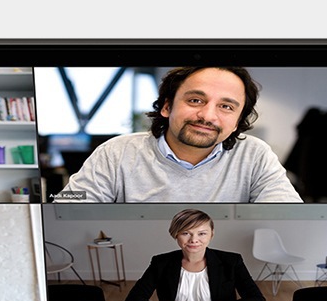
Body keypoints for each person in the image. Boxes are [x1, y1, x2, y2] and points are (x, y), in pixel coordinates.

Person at [55, 66, 302, 203]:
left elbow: (287, 214)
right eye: (195, 100)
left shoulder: (255, 154)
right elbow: (69, 205)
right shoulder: (116, 153)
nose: (208, 116)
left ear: (237, 122)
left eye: (226, 106)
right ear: (166, 106)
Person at [123, 209, 265, 301]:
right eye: (185, 233)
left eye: (202, 233)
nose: (194, 240)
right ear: (175, 235)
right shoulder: (161, 262)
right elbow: (134, 299)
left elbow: (256, 299)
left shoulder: (231, 261)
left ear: (211, 235)